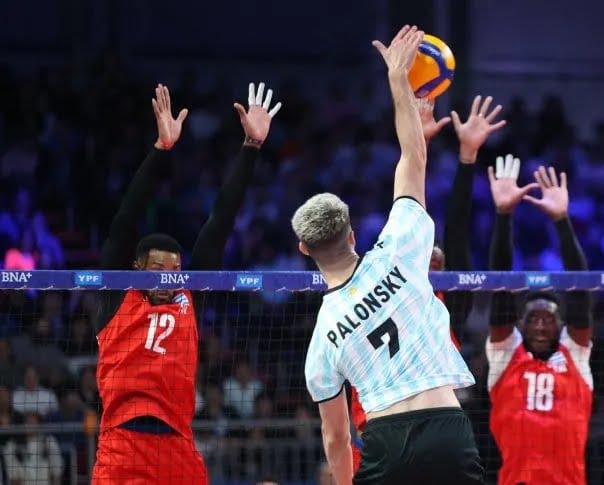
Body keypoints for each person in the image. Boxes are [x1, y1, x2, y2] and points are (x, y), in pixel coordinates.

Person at [292, 25, 483, 485]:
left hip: (385, 439)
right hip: (447, 427)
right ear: (354, 234)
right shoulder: (398, 249)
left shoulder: (322, 337)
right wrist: (400, 83)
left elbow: (336, 439)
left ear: (305, 250)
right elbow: (412, 158)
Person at [92, 82, 281, 484]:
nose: (168, 279)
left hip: (178, 446)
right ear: (136, 268)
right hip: (122, 445)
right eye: (158, 269)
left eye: (175, 271)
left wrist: (250, 148)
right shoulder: (115, 295)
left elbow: (218, 226)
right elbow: (124, 222)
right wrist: (161, 150)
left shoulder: (188, 298)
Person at [346, 93, 506, 473]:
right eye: (426, 259)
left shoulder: (444, 307)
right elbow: (404, 214)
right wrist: (419, 147)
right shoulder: (376, 290)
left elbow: (457, 235)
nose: (433, 262)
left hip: (430, 432)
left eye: (439, 263)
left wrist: (466, 159)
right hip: (376, 429)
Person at [485, 155, 595, 485]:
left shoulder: (575, 353)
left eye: (548, 318)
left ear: (560, 324)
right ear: (521, 323)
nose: (540, 325)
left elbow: (580, 293)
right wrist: (503, 215)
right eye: (533, 318)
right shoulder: (506, 355)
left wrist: (562, 220)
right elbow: (501, 287)